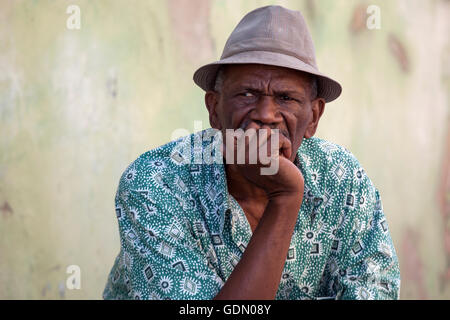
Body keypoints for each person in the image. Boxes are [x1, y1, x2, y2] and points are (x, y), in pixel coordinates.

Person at [103, 5, 400, 300]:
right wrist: (285, 197)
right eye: (247, 94)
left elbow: (376, 289)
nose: (266, 114)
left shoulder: (342, 177)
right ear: (214, 109)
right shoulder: (156, 182)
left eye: (286, 98)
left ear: (313, 117)